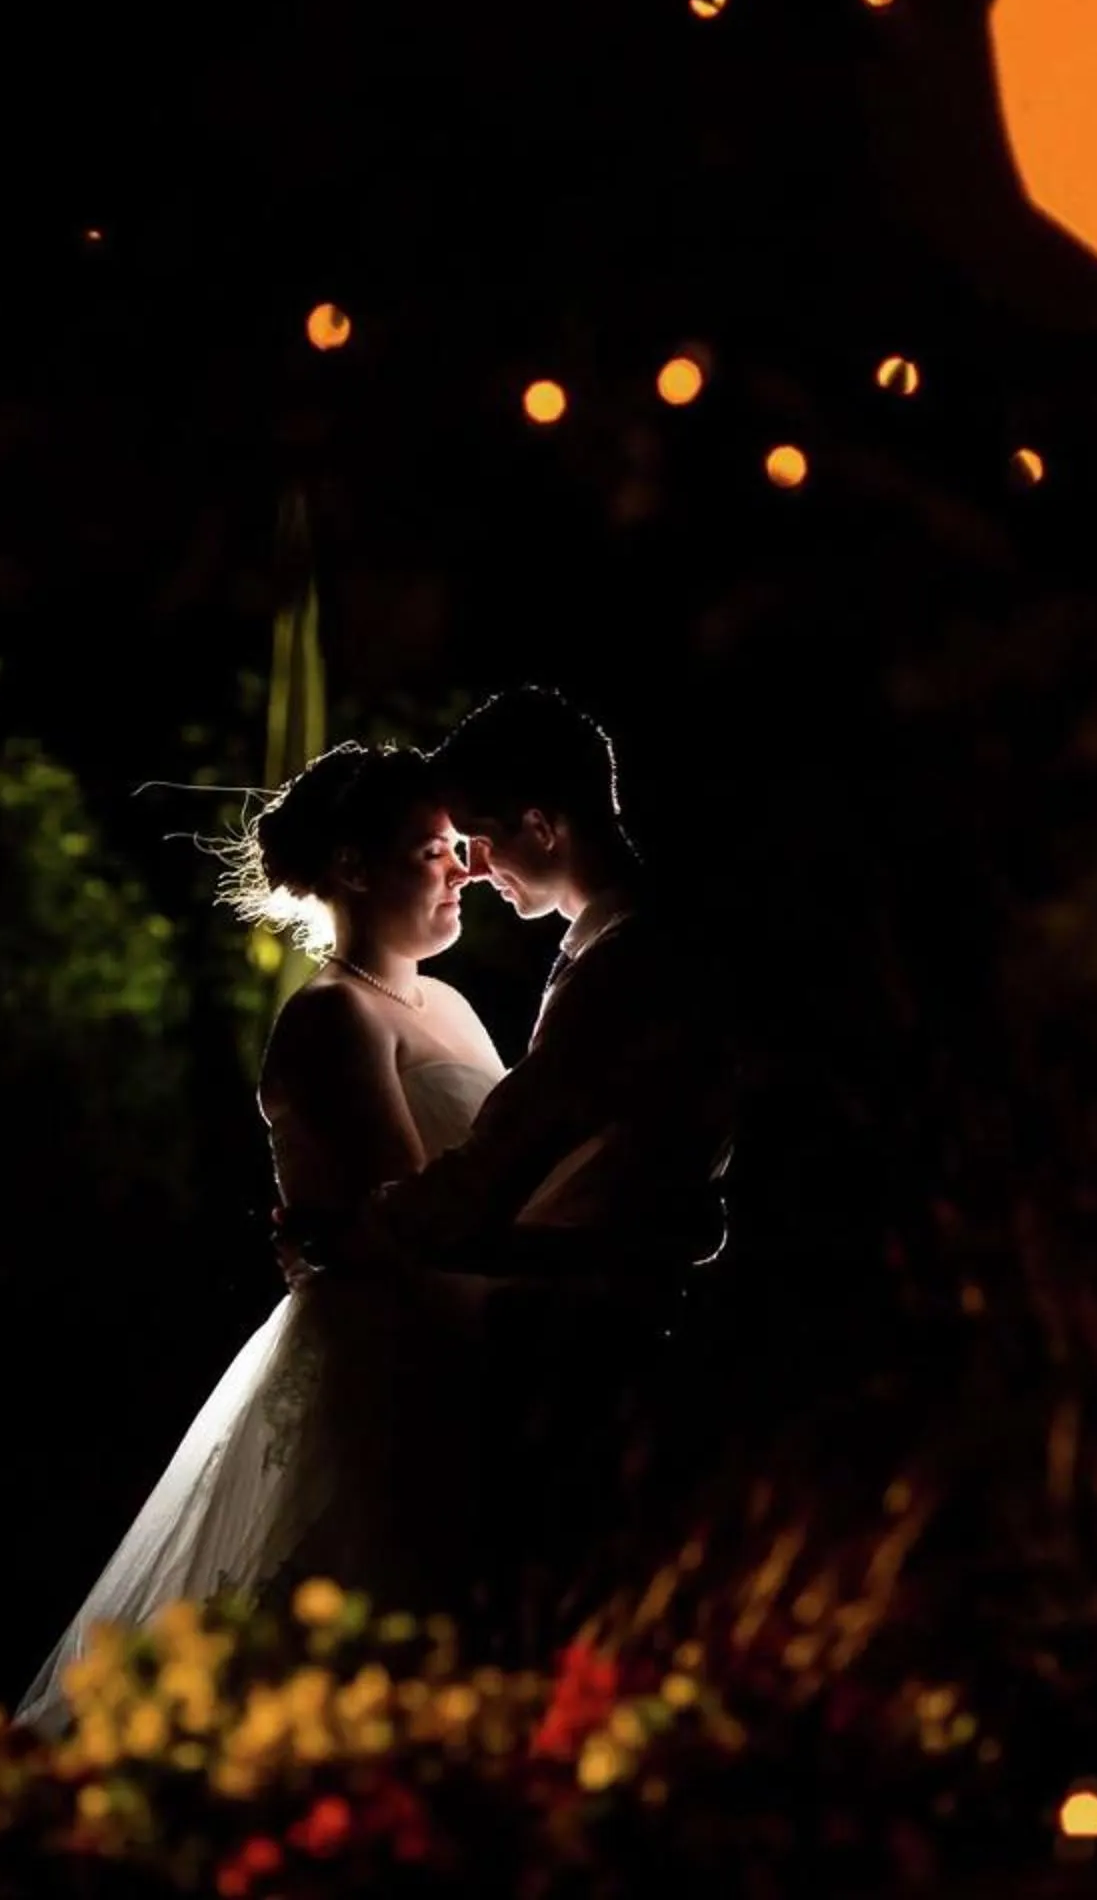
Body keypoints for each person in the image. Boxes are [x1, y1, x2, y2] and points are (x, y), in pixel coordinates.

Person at [15, 741, 502, 1729]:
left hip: (466, 1322)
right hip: (398, 1352)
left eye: (458, 844)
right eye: (432, 848)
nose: (462, 868)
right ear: (357, 868)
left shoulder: (445, 1002)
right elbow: (408, 1217)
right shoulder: (333, 1020)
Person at [286, 685, 738, 1655]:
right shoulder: (605, 947)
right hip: (561, 1322)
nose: (471, 867)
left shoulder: (629, 961)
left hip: (593, 1337)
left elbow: (500, 1159)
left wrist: (361, 1229)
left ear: (543, 823)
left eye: (481, 837)